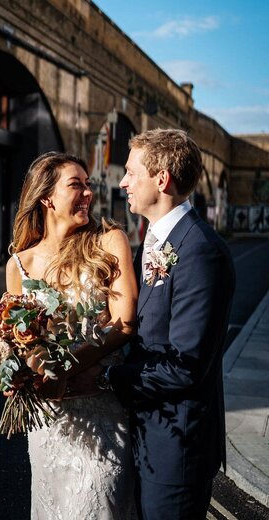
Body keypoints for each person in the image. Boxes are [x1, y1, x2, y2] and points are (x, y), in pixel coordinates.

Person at [101, 128, 235, 520]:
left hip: (176, 451)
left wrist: (106, 378)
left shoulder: (200, 251)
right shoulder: (150, 245)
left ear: (161, 179)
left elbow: (184, 366)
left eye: (130, 172)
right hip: (144, 436)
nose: (123, 181)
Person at [5, 151, 138, 520]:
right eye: (76, 185)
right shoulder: (20, 264)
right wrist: (18, 369)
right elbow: (22, 340)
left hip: (103, 416)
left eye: (88, 185)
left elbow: (125, 322)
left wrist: (66, 367)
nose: (88, 194)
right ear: (47, 197)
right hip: (52, 424)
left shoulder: (109, 241)